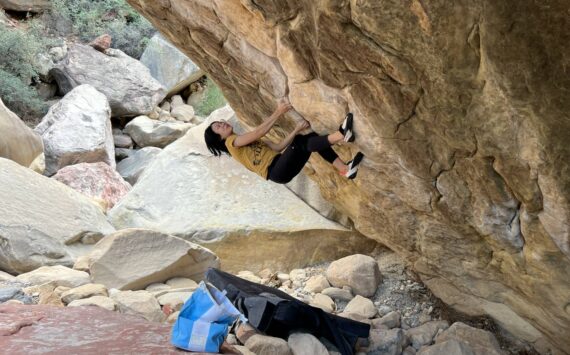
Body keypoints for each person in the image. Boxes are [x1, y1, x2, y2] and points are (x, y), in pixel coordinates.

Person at [204, 101, 364, 184]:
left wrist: (296, 130)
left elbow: (278, 147)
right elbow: (259, 131)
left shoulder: (242, 144)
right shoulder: (231, 143)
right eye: (218, 127)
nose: (222, 123)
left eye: (220, 122)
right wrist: (278, 111)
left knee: (309, 139)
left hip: (279, 169)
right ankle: (342, 134)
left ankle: (344, 169)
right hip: (275, 171)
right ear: (219, 138)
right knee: (302, 143)